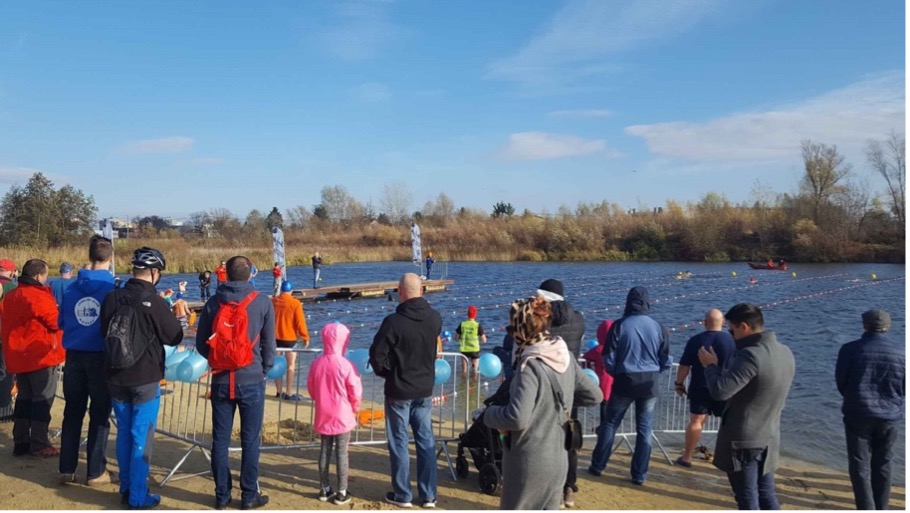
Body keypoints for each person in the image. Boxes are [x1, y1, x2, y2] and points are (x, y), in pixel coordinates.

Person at [484, 296, 602, 510]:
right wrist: (556, 402)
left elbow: (517, 418)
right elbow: (594, 395)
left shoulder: (530, 365)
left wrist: (489, 414)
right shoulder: (564, 355)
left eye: (511, 329)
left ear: (521, 330)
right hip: (559, 458)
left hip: (529, 460)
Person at [100, 247, 183, 509]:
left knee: (124, 433)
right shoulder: (155, 302)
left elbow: (103, 331)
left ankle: (126, 488)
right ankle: (137, 496)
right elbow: (175, 336)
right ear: (154, 273)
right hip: (145, 376)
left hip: (115, 374)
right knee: (141, 436)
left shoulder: (112, 297)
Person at [196, 255, 275, 510]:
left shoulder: (213, 302)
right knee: (250, 440)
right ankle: (249, 495)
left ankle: (222, 495)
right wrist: (264, 369)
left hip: (220, 379)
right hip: (251, 378)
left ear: (226, 275)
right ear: (250, 274)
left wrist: (218, 360)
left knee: (220, 440)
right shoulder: (262, 302)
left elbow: (201, 344)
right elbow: (269, 345)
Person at [698, 303, 795, 510]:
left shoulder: (750, 355)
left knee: (747, 499)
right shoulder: (785, 351)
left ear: (743, 327)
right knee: (767, 495)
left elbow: (720, 391)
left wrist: (711, 366)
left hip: (744, 441)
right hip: (769, 436)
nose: (731, 335)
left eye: (731, 330)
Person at [368, 273, 442, 509]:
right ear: (421, 290)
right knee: (425, 440)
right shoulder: (434, 318)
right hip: (423, 387)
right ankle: (428, 495)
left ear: (400, 291)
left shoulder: (394, 322)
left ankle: (403, 494)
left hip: (400, 389)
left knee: (400, 441)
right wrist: (388, 372)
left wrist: (388, 373)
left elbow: (376, 356)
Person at [588, 286, 670, 485]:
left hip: (625, 379)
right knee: (645, 428)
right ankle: (639, 474)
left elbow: (608, 356)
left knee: (610, 423)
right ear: (647, 302)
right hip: (649, 381)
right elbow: (666, 359)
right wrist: (655, 371)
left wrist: (615, 372)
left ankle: (598, 466)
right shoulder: (658, 327)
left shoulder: (620, 325)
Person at [59, 235, 117, 486]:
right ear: (111, 258)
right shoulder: (112, 288)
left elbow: (61, 322)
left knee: (72, 412)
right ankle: (95, 471)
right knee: (100, 414)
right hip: (100, 355)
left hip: (74, 355)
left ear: (89, 256)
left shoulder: (71, 288)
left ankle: (66, 468)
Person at [835, 309, 904, 510]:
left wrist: (853, 398)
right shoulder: (903, 351)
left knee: (859, 465)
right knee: (884, 462)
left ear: (864, 325)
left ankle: (866, 508)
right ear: (888, 327)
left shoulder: (849, 349)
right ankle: (881, 507)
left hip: (858, 412)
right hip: (889, 415)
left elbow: (841, 381)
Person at [0, 259, 64, 458]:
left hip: (19, 355)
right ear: (38, 276)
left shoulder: (11, 296)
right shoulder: (38, 296)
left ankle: (21, 441)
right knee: (42, 400)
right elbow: (56, 322)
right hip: (40, 356)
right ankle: (39, 443)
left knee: (24, 399)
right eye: (45, 275)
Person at [535, 278, 586, 505]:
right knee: (570, 438)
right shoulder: (579, 319)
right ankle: (569, 487)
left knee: (542, 438)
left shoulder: (543, 319)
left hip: (545, 384)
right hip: (570, 384)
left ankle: (547, 489)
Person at [307, 322, 362, 506]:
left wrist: (320, 399)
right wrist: (355, 407)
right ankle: (342, 491)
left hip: (324, 412)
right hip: (343, 414)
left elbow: (311, 387)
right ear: (344, 341)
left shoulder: (317, 363)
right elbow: (355, 390)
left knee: (324, 450)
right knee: (341, 453)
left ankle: (324, 488)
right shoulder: (346, 365)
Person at [674, 309, 736, 467]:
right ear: (723, 323)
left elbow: (684, 366)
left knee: (696, 421)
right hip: (725, 386)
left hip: (700, 386)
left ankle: (687, 457)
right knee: (729, 422)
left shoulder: (695, 340)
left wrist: (679, 383)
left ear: (704, 322)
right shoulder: (732, 341)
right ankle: (729, 457)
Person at [583, 319, 616, 483]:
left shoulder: (598, 349)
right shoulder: (617, 348)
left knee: (605, 419)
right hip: (616, 387)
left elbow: (585, 356)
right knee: (609, 418)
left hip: (603, 389)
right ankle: (602, 434)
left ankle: (601, 437)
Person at [272, 280, 309, 400]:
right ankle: (288, 392)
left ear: (281, 290)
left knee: (276, 364)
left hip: (275, 337)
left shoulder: (273, 301)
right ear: (291, 291)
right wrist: (305, 337)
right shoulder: (295, 303)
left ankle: (278, 391)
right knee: (291, 365)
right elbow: (300, 322)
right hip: (290, 338)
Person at [0, 259, 16, 416]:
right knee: (5, 372)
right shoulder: (11, 287)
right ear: (12, 272)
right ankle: (4, 410)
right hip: (5, 335)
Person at [454, 305, 486, 377]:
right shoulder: (477, 325)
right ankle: (474, 383)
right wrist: (478, 337)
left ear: (467, 314)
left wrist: (461, 337)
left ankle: (463, 383)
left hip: (464, 350)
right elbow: (484, 340)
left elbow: (456, 338)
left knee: (464, 371)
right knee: (475, 371)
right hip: (474, 350)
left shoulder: (462, 324)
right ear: (475, 315)